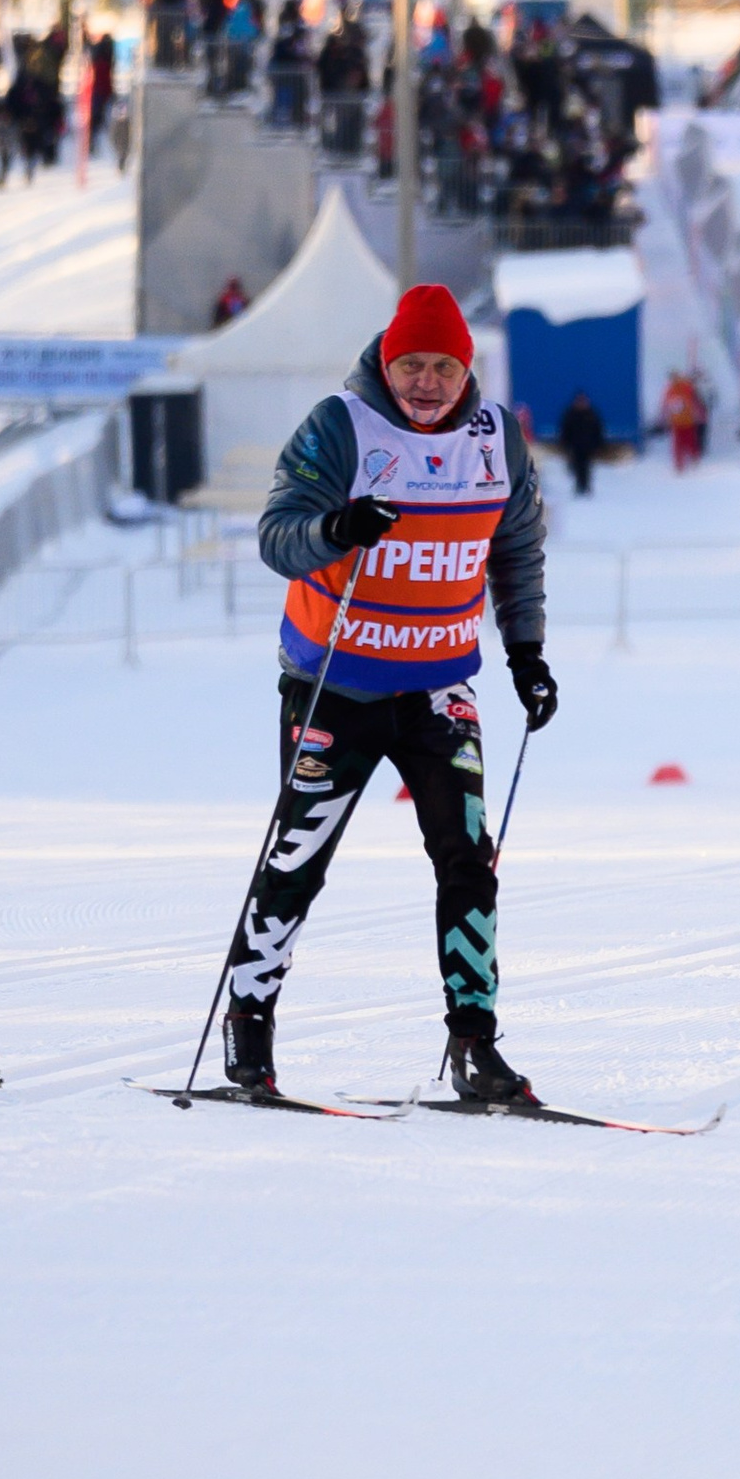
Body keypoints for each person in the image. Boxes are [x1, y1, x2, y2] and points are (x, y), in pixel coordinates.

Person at [236, 282, 555, 1105]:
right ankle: (249, 1032)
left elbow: (516, 549)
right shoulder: (341, 426)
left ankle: (475, 1044)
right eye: (411, 364)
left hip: (439, 688)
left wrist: (526, 656)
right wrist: (335, 530)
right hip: (335, 687)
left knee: (468, 862)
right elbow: (277, 536)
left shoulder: (497, 441)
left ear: (466, 370)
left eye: (444, 367)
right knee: (298, 860)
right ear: (386, 361)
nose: (426, 383)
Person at [559, 387, 606, 496]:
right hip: (575, 446)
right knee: (577, 467)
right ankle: (579, 486)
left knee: (587, 467)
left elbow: (598, 429)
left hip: (588, 446)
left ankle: (586, 486)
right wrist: (565, 443)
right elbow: (565, 430)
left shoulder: (591, 414)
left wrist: (598, 443)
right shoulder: (570, 414)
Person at [661, 369, 707, 473]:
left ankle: (685, 462)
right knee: (683, 442)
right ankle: (683, 463)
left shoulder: (681, 388)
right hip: (681, 422)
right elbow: (666, 405)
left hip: (685, 421)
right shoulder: (676, 389)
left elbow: (695, 401)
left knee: (685, 442)